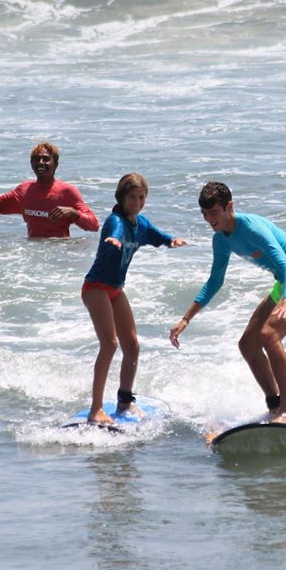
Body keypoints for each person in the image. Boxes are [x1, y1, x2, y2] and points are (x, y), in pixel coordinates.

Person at [169, 182, 286, 424]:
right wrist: (186, 319)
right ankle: (275, 405)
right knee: (248, 344)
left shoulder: (252, 228)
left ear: (229, 207)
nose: (209, 220)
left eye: (213, 213)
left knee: (269, 334)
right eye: (204, 214)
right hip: (283, 282)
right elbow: (214, 281)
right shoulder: (221, 239)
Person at [82, 173, 186, 425]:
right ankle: (95, 409)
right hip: (96, 287)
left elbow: (156, 235)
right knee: (110, 344)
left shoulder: (141, 224)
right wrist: (112, 240)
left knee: (132, 346)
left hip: (116, 289)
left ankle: (125, 402)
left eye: (141, 197)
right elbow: (114, 231)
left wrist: (170, 241)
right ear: (121, 197)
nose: (137, 202)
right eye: (132, 197)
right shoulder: (115, 221)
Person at [0, 142, 99, 238]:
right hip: (34, 254)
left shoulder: (67, 192)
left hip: (61, 252)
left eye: (46, 159)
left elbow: (94, 226)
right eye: (36, 159)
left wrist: (73, 213)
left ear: (56, 164)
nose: (40, 162)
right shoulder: (24, 190)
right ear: (31, 164)